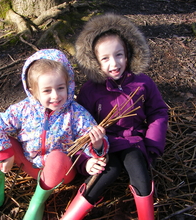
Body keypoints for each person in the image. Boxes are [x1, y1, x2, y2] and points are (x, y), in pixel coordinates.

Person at [0, 49, 109, 219]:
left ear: (69, 85)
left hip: (59, 172)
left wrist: (97, 146)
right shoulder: (24, 109)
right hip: (29, 164)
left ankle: (36, 204)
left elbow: (90, 138)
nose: (55, 96)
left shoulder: (75, 113)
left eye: (60, 88)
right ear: (33, 91)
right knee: (3, 142)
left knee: (58, 157)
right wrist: (4, 153)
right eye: (47, 91)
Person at [60, 14, 169, 220]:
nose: (114, 63)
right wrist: (88, 156)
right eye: (105, 58)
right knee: (105, 173)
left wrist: (153, 145)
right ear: (95, 62)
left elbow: (158, 112)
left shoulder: (143, 83)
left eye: (119, 55)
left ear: (128, 54)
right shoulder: (91, 91)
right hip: (103, 145)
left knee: (139, 170)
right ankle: (71, 216)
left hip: (132, 142)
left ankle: (147, 216)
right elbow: (81, 127)